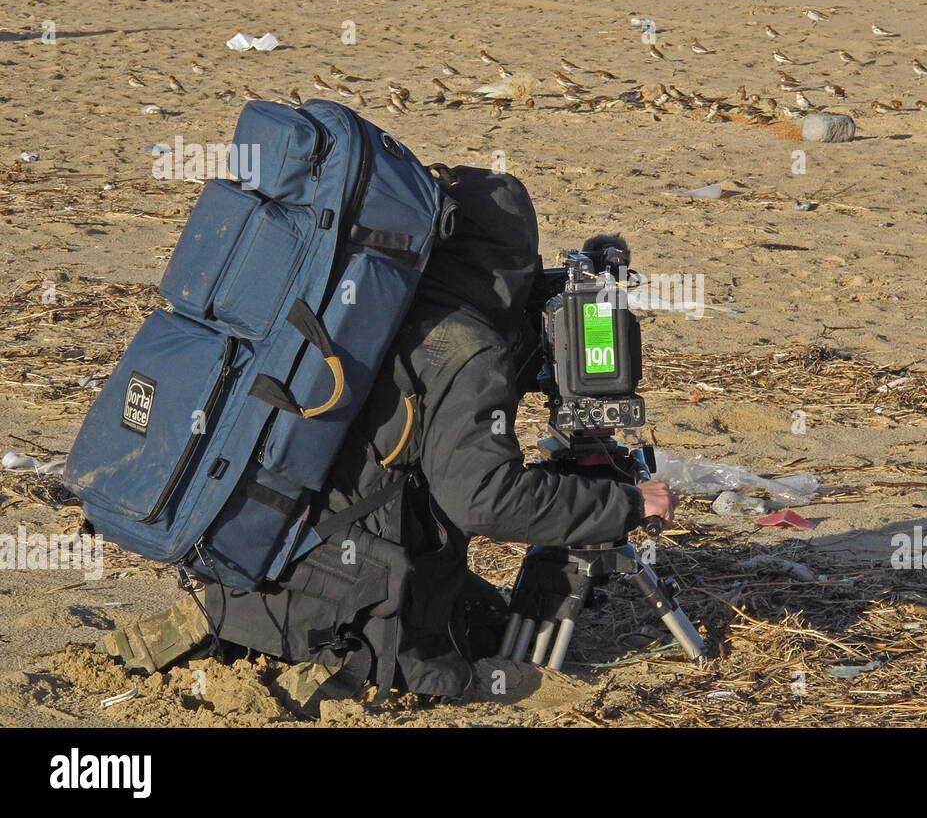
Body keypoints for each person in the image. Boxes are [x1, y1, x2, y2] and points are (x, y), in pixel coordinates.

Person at [100, 167, 677, 704]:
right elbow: (485, 500)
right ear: (507, 263)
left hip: (261, 562)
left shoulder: (375, 308)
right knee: (480, 666)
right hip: (355, 611)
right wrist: (622, 503)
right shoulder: (468, 349)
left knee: (482, 612)